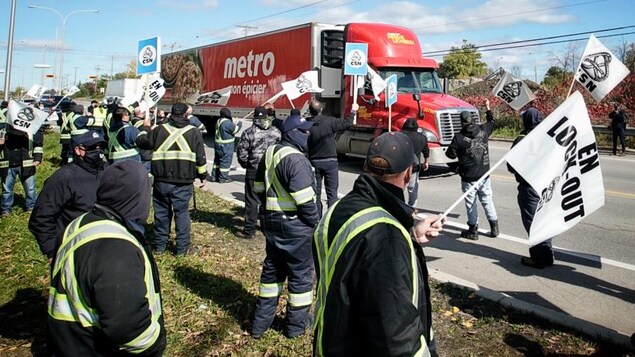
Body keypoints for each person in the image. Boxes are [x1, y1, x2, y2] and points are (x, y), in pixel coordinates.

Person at [313, 131, 443, 356]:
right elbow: (396, 336)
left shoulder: (338, 210)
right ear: (408, 174)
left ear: (366, 166)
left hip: (333, 338)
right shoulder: (386, 237)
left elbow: (354, 264)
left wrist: (410, 235)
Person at [47, 160, 166, 356]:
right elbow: (128, 327)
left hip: (70, 342)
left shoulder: (79, 224)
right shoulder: (116, 249)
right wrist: (154, 344)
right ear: (137, 197)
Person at [251, 113, 319, 339]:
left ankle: (259, 326)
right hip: (296, 227)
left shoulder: (271, 152)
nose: (308, 134)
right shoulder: (296, 160)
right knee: (300, 278)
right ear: (293, 135)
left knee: (271, 273)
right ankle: (295, 327)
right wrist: (315, 224)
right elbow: (306, 202)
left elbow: (258, 187)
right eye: (304, 131)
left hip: (272, 224)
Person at [136, 102, 208, 256]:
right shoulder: (194, 132)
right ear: (185, 114)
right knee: (181, 213)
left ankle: (160, 246)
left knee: (161, 213)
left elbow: (142, 142)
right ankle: (182, 249)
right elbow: (201, 157)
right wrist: (203, 176)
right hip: (183, 182)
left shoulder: (160, 130)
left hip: (161, 180)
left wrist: (144, 128)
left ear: (170, 114)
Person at [28, 131, 107, 260]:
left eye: (100, 148)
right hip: (75, 249)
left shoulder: (106, 171)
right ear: (78, 150)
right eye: (92, 148)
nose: (98, 152)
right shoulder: (64, 178)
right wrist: (52, 251)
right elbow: (41, 217)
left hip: (103, 247)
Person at [508, 107, 555, 269]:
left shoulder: (522, 139)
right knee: (543, 221)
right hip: (547, 185)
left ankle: (537, 259)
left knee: (533, 223)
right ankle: (548, 255)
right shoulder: (548, 136)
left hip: (530, 187)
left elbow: (510, 166)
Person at [445, 99, 498, 240]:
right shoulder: (483, 130)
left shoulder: (458, 138)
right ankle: (494, 227)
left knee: (471, 204)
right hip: (484, 175)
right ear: (473, 120)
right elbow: (492, 121)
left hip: (468, 177)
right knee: (487, 200)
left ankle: (473, 230)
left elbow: (450, 154)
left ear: (462, 122)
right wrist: (487, 107)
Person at [235, 105, 281, 239]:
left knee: (251, 200)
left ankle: (249, 230)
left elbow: (241, 153)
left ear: (254, 116)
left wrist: (247, 165)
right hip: (270, 170)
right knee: (269, 200)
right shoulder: (276, 132)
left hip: (253, 170)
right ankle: (267, 227)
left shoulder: (249, 132)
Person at [307, 99, 358, 217]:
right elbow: (347, 124)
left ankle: (318, 220)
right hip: (330, 162)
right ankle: (330, 220)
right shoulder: (330, 121)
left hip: (314, 162)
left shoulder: (307, 124)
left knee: (316, 193)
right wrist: (353, 111)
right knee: (332, 194)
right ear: (321, 109)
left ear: (310, 111)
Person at [0, 125, 43, 216]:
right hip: (8, 165)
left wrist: (38, 158)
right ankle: (5, 210)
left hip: (26, 164)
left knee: (30, 188)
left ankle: (31, 208)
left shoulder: (30, 130)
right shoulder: (3, 130)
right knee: (7, 190)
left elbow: (37, 144)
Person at [401, 117, 430, 207]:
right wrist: (426, 162)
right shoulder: (422, 137)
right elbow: (426, 151)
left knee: (399, 189)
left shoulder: (399, 135)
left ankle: (398, 207)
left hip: (400, 167)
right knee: (412, 190)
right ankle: (411, 209)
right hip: (414, 167)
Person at [213, 107, 241, 183]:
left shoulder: (219, 121)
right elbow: (235, 130)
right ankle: (223, 178)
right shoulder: (227, 123)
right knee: (225, 161)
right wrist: (239, 124)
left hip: (218, 144)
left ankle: (214, 176)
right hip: (226, 145)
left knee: (217, 161)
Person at [131, 107, 153, 172]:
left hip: (144, 153)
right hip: (145, 153)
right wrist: (147, 126)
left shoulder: (134, 120)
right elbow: (145, 134)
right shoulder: (138, 122)